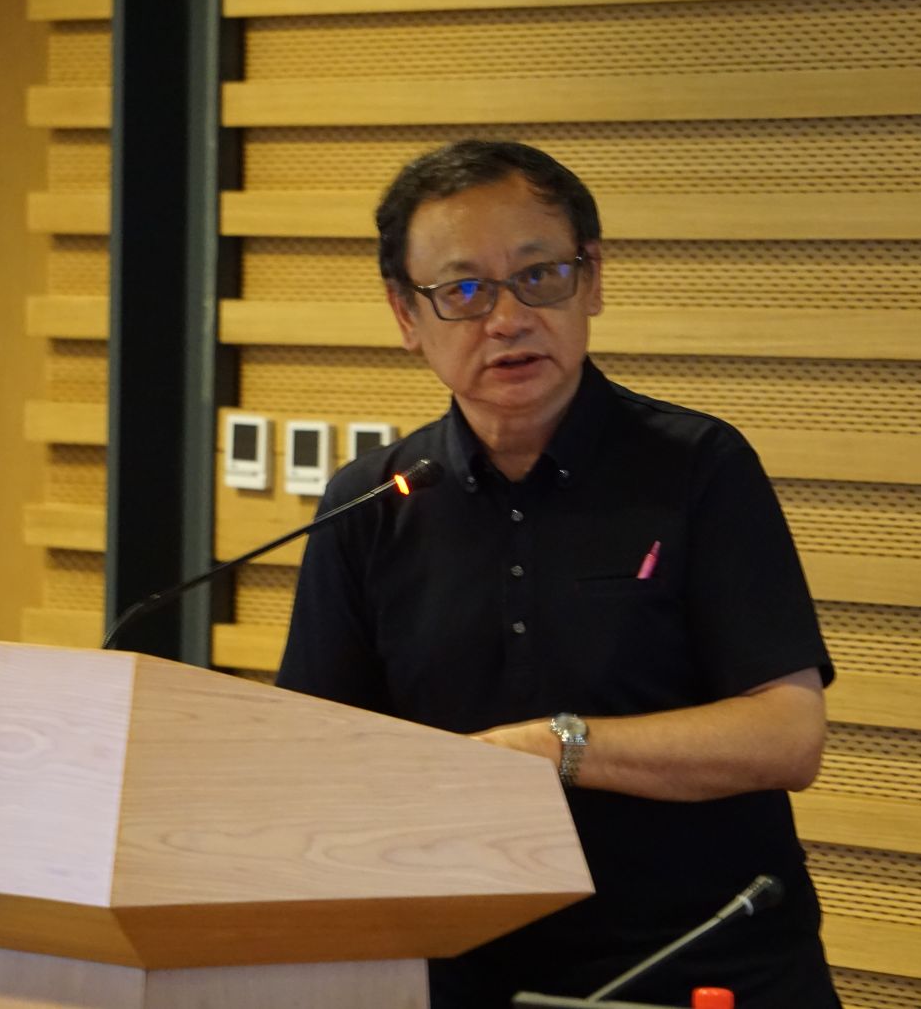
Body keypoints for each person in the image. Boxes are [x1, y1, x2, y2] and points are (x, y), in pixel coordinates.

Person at [277, 140, 839, 1008]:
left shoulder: (699, 468)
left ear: (593, 279)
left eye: (539, 277)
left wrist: (555, 746)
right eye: (464, 290)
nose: (507, 318)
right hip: (457, 972)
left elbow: (787, 735)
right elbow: (314, 762)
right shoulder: (372, 503)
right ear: (405, 315)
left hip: (700, 965)